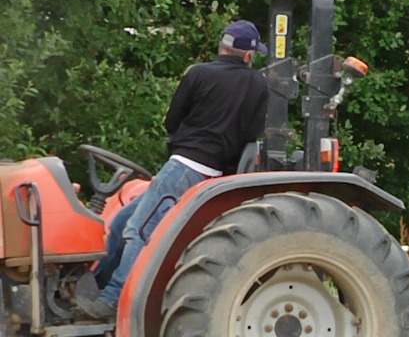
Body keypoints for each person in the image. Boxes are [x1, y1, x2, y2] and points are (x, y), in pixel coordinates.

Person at [77, 20, 270, 319]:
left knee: (137, 230)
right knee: (121, 222)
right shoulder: (258, 83)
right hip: (208, 172)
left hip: (184, 167)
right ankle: (90, 286)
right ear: (247, 55)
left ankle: (110, 300)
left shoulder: (198, 74)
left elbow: (172, 122)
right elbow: (251, 134)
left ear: (223, 48)